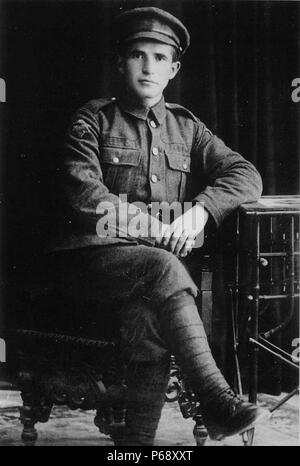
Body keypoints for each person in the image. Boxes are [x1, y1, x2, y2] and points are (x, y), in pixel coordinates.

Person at [48, 6, 269, 445]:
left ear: (174, 68)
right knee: (164, 266)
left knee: (146, 316)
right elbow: (85, 195)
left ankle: (136, 447)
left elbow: (245, 174)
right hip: (88, 262)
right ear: (120, 62)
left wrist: (202, 210)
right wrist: (155, 230)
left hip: (147, 277)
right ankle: (216, 399)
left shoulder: (187, 128)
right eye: (137, 54)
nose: (148, 66)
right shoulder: (91, 120)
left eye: (160, 57)